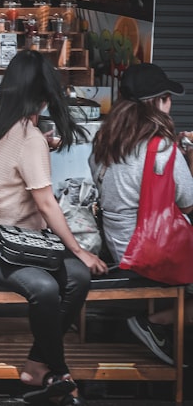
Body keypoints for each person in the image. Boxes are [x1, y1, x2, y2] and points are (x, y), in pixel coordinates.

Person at [0, 50, 107, 406]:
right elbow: (46, 203)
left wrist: (76, 257)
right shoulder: (29, 138)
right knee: (45, 287)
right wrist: (79, 249)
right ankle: (59, 372)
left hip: (15, 241)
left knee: (78, 277)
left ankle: (34, 364)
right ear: (44, 95)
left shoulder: (4, 128)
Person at [89, 63, 193, 365]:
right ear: (157, 102)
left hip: (116, 245)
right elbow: (187, 203)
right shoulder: (162, 148)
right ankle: (157, 321)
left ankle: (157, 323)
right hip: (152, 250)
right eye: (167, 97)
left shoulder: (103, 143)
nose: (171, 103)